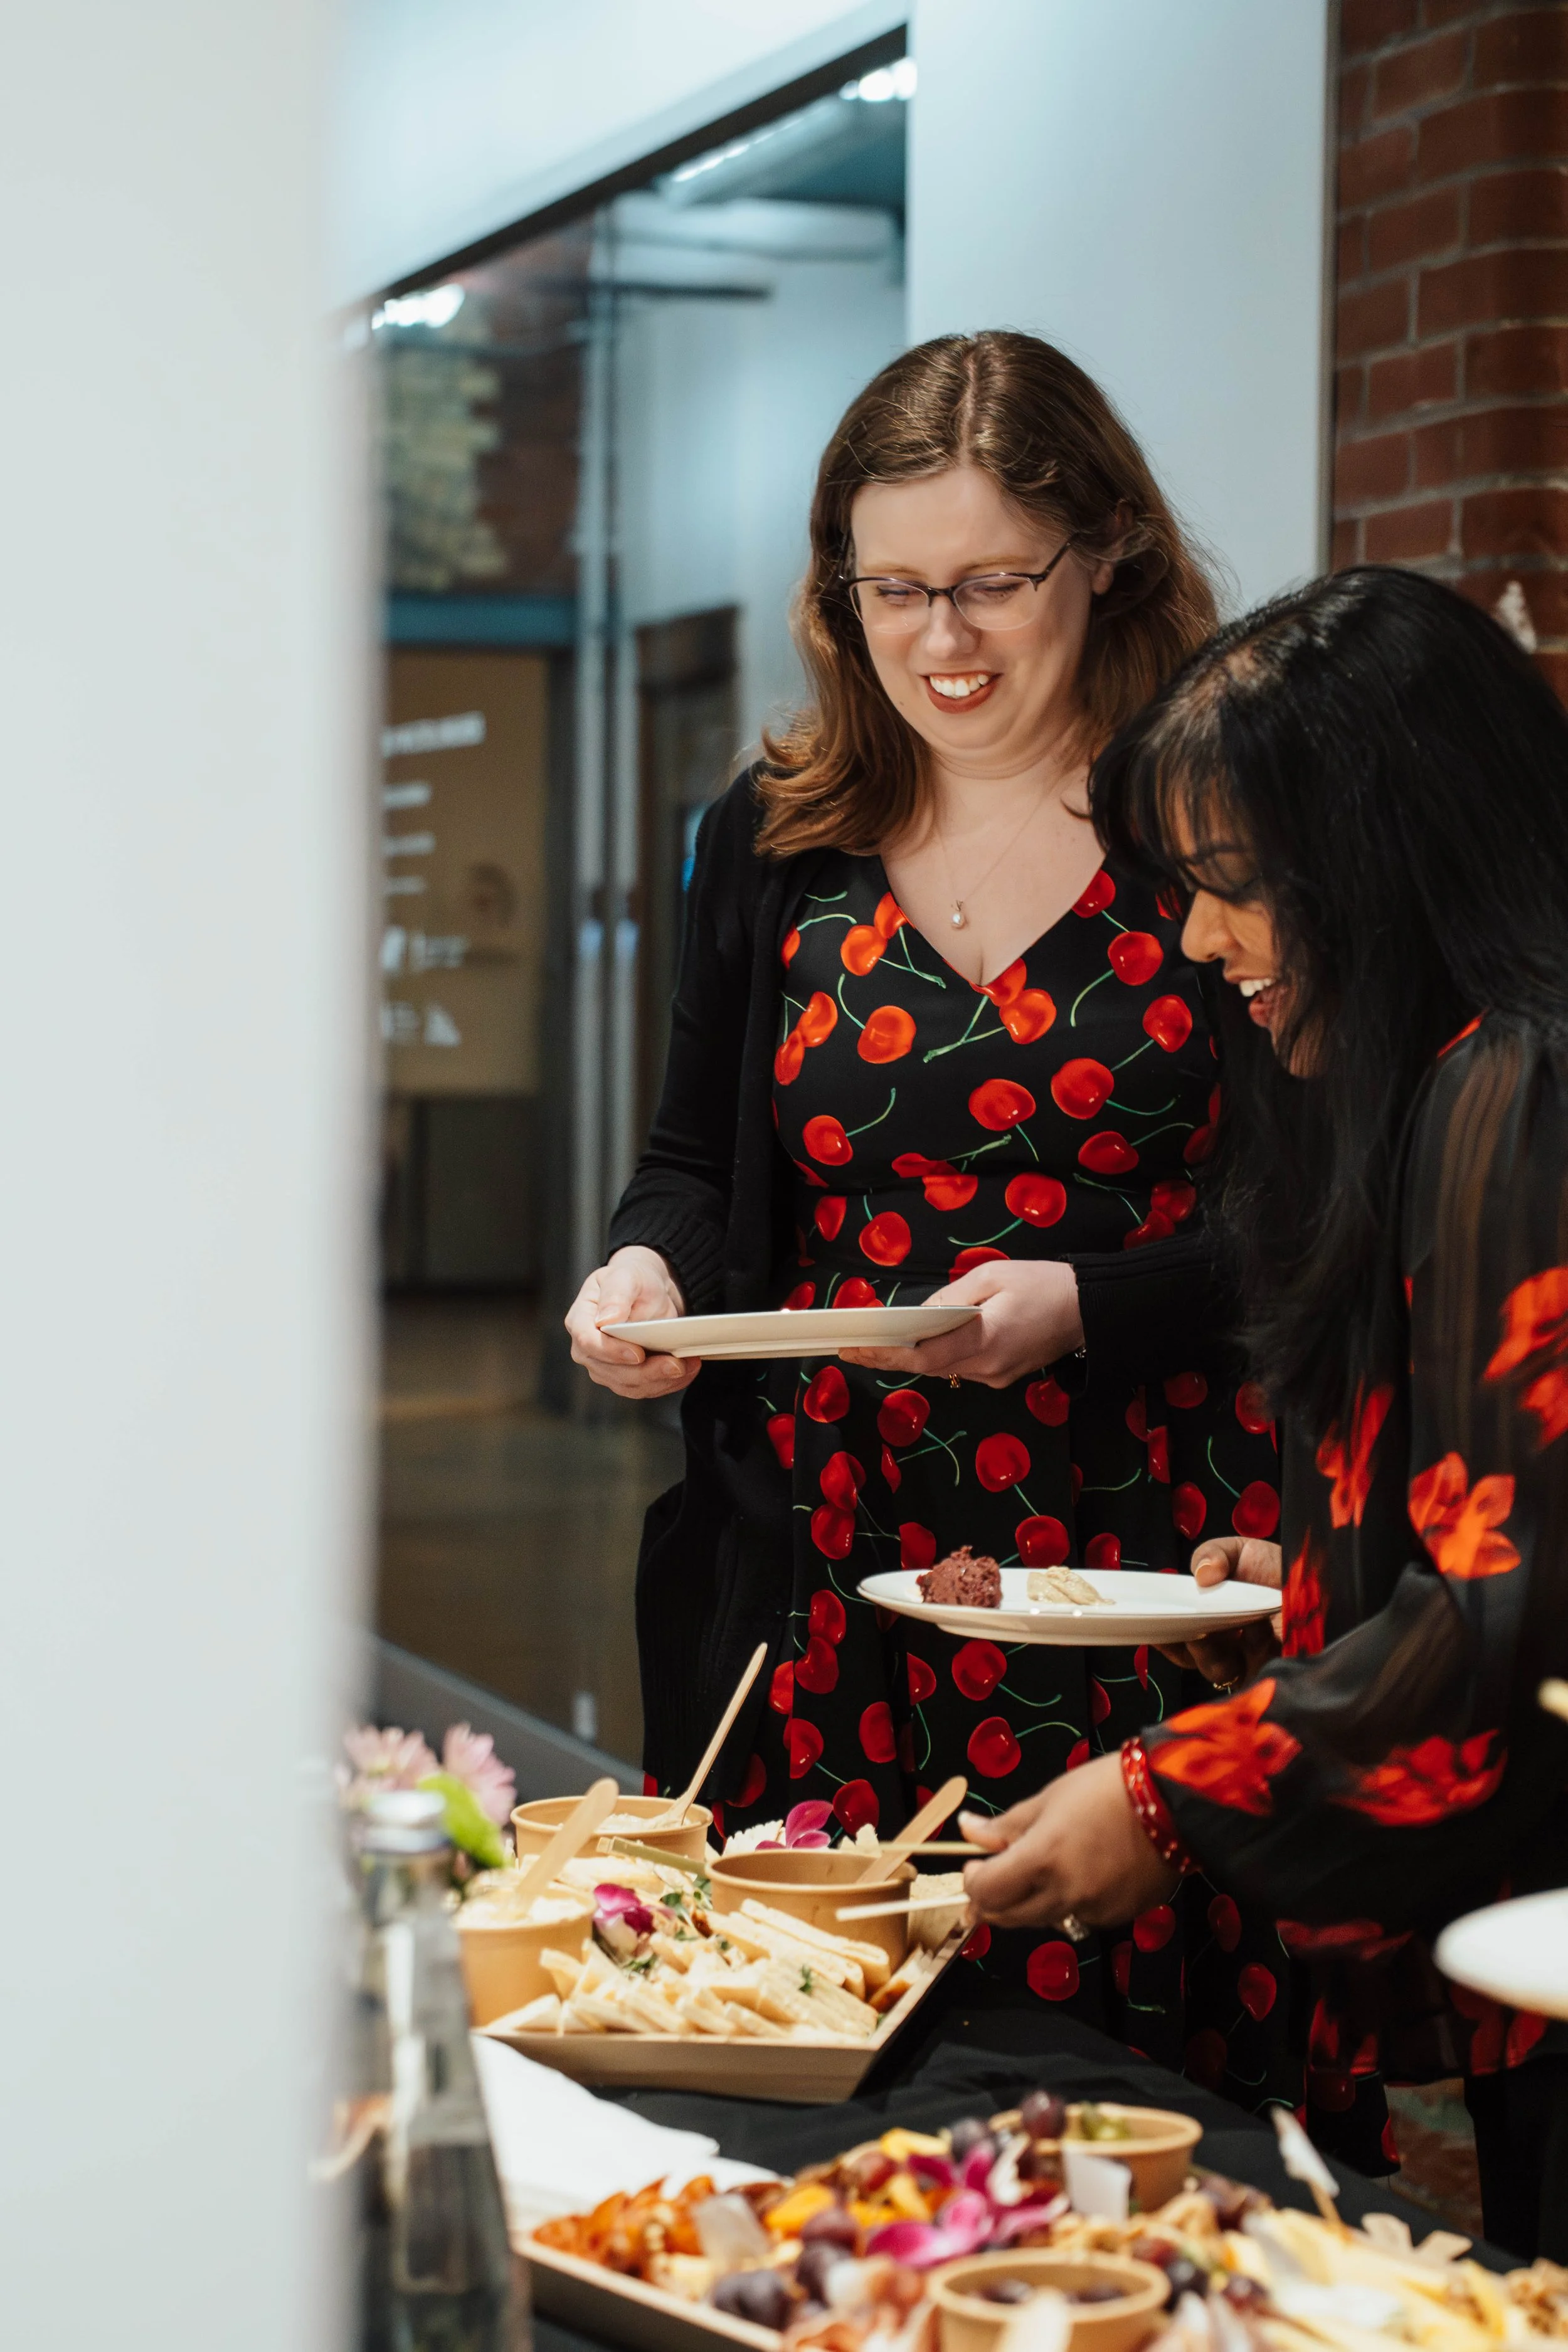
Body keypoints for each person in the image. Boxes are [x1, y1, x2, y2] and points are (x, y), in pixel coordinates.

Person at [566, 331, 1282, 2088]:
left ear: (1106, 548)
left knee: (1143, 2067)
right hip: (832, 1555)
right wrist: (646, 1258)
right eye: (890, 588)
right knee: (822, 2041)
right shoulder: (782, 830)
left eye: (987, 584)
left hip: (1146, 1544)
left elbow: (1328, 1215)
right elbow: (696, 1159)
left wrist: (1089, 1301)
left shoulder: (1214, 805)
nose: (939, 643)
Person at [961, 564, 1568, 2256]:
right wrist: (1307, 1590)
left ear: (1386, 858)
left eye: (1232, 886)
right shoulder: (1457, 1079)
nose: (1201, 941)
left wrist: (1166, 1795)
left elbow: (1510, 1612)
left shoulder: (1515, 1084)